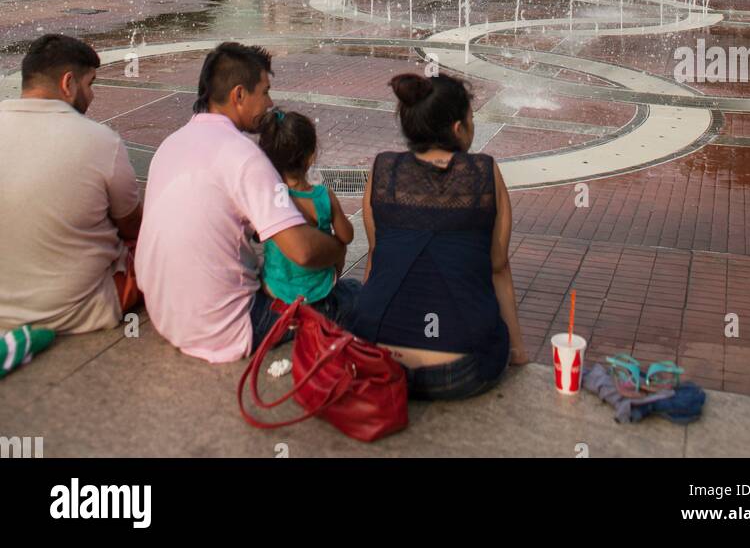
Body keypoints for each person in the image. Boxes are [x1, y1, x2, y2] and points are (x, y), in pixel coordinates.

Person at [135, 43, 346, 363]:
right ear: (239, 95)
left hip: (166, 314)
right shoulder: (243, 155)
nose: (270, 102)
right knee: (353, 299)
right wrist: (338, 247)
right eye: (265, 91)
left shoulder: (171, 144)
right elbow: (303, 251)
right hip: (228, 326)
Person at [350, 70, 528, 401]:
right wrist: (517, 351)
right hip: (464, 370)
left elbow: (377, 256)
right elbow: (499, 267)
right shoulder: (484, 173)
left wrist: (368, 329)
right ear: (458, 128)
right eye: (471, 118)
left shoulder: (383, 169)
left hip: (380, 362)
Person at [0, 34, 142, 334]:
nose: (91, 96)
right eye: (90, 84)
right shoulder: (101, 141)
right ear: (68, 84)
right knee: (159, 241)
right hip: (74, 309)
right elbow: (133, 228)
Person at [258, 110, 361, 327]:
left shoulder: (268, 196)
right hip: (318, 295)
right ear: (311, 156)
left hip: (275, 291)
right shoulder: (323, 197)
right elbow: (347, 236)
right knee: (355, 293)